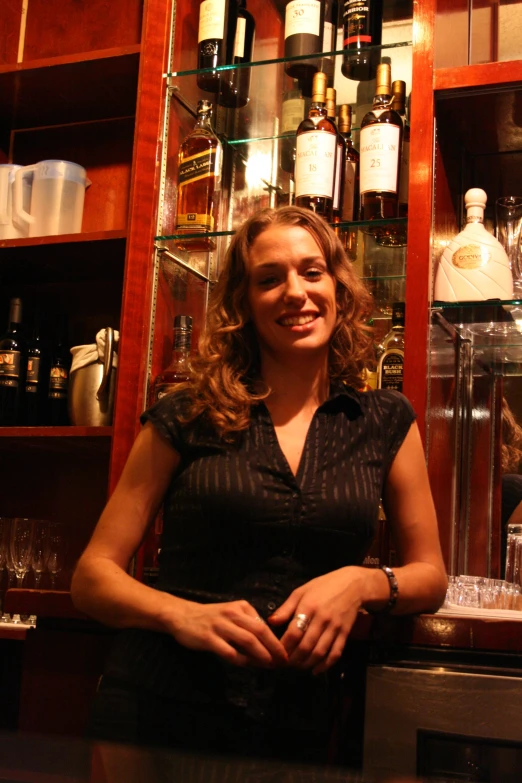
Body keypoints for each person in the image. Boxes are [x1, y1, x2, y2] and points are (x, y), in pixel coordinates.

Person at [71, 205, 447, 762]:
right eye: (269, 279)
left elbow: (430, 576)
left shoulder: (385, 420)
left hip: (305, 724)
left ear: (338, 289)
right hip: (160, 711)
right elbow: (92, 577)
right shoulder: (188, 413)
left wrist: (358, 584)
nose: (295, 292)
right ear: (244, 305)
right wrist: (182, 614)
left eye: (312, 272)